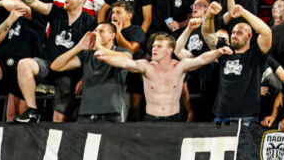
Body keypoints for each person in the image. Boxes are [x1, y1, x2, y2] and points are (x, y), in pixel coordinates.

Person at [96, 32, 230, 121]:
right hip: (151, 119)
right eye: (154, 46)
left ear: (169, 50)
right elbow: (125, 62)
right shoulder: (146, 66)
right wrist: (105, 57)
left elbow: (201, 60)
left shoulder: (179, 66)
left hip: (175, 119)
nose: (154, 49)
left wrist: (218, 52)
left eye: (159, 46)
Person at [200, 1, 274, 123]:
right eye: (233, 32)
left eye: (239, 33)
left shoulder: (256, 54)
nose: (234, 35)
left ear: (249, 36)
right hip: (221, 114)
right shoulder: (224, 51)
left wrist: (243, 12)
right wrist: (210, 15)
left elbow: (266, 32)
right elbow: (207, 33)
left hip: (247, 116)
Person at [49, 24, 129, 122]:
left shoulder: (122, 51)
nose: (96, 33)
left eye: (101, 31)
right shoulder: (87, 54)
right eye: (95, 30)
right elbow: (56, 66)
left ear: (112, 36)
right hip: (85, 114)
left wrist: (99, 46)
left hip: (110, 114)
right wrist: (79, 47)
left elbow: (127, 59)